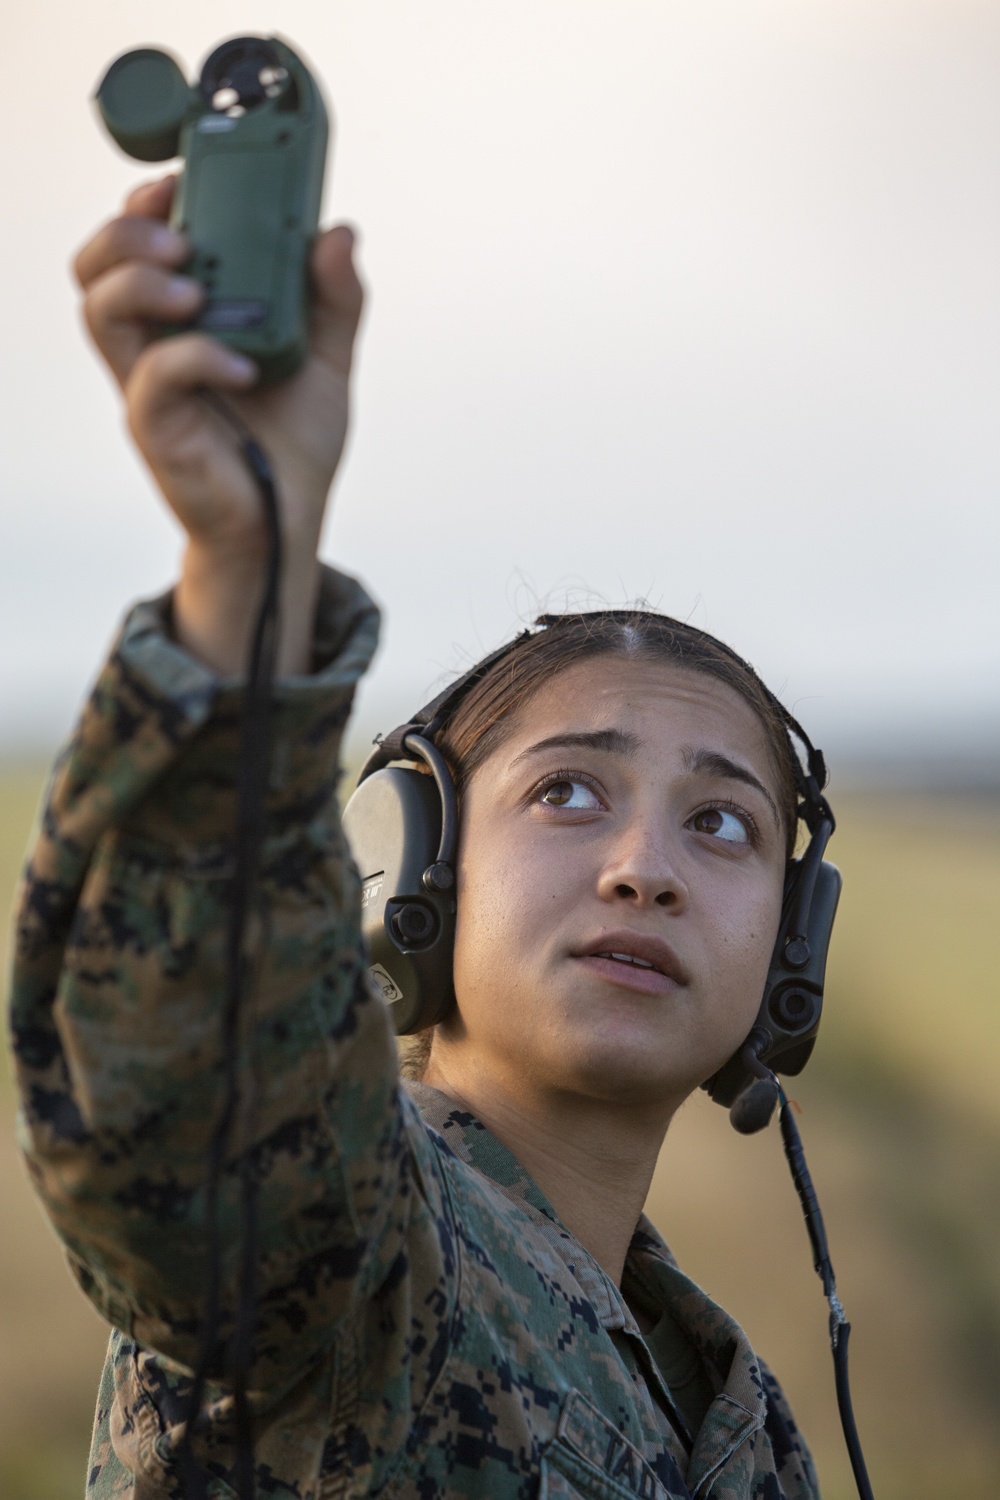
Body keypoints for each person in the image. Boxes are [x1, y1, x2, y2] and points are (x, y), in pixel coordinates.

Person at [9, 176, 823, 1499]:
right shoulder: (347, 1258)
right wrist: (244, 573)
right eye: (567, 791)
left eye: (724, 823)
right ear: (413, 866)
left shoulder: (733, 1416)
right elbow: (184, 1103)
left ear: (795, 951)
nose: (643, 868)